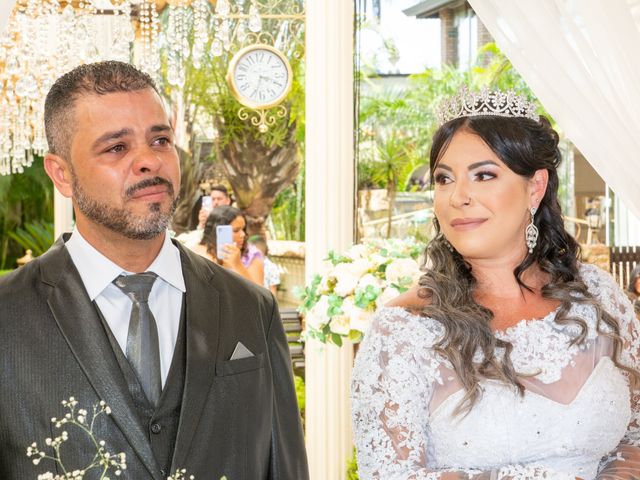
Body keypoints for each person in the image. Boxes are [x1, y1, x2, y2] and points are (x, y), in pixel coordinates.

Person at [0, 61, 308, 480]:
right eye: (116, 148)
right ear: (62, 174)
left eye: (159, 139)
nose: (149, 161)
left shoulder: (251, 307)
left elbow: (283, 466)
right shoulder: (7, 314)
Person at [351, 88, 640, 479]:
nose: (458, 196)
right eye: (444, 179)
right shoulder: (404, 330)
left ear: (535, 187)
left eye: (484, 175)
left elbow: (634, 437)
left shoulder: (596, 297)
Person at [190, 206, 265, 287]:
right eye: (236, 230)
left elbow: (260, 296)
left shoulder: (251, 256)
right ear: (218, 232)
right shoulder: (199, 252)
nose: (243, 234)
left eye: (243, 229)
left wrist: (238, 265)